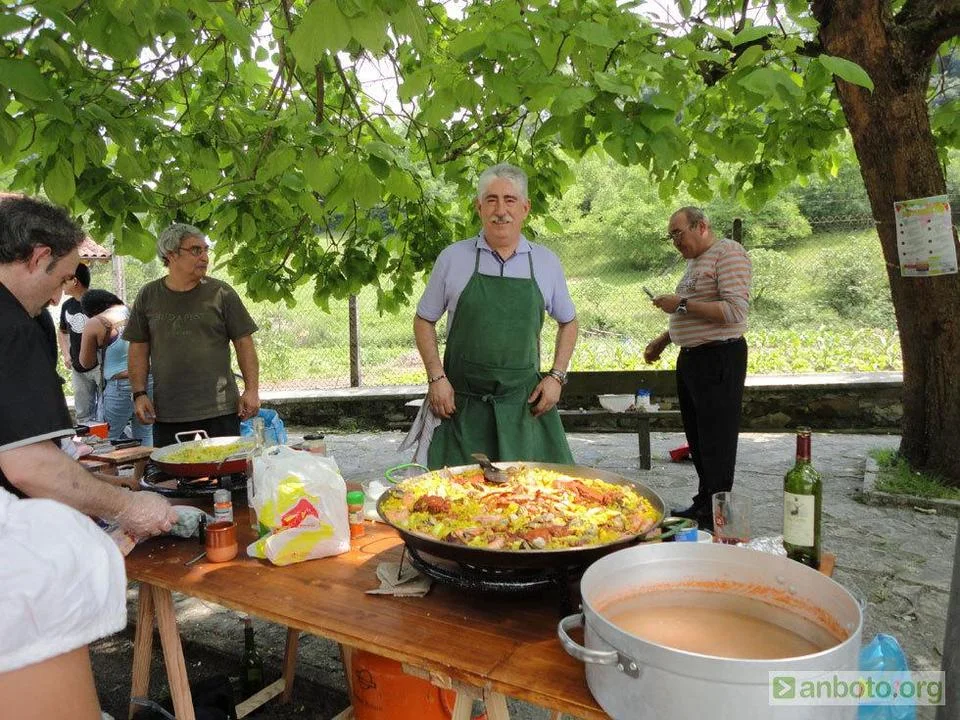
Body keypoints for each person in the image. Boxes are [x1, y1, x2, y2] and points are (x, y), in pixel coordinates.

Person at [0, 194, 176, 719]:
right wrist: (128, 506)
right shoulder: (11, 324)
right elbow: (30, 466)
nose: (60, 294)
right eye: (61, 277)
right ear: (38, 256)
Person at [413, 163, 578, 469]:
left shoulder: (546, 263)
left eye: (510, 200)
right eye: (491, 200)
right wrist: (436, 378)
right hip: (460, 407)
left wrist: (556, 377)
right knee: (455, 494)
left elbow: (569, 322)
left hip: (524, 409)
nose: (501, 210)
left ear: (525, 208)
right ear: (479, 208)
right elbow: (424, 320)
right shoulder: (453, 258)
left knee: (535, 494)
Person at [643, 206, 752, 531]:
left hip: (719, 357)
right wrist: (664, 339)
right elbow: (690, 313)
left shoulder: (729, 253)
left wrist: (680, 303)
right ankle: (705, 503)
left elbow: (734, 311)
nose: (675, 241)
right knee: (699, 438)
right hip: (692, 358)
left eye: (679, 233)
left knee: (717, 440)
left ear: (701, 226)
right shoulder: (694, 263)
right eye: (671, 236)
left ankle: (720, 516)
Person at [125, 223, 260, 448]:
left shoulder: (222, 293)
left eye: (206, 250)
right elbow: (138, 348)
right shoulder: (148, 295)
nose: (205, 257)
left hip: (220, 410)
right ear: (171, 255)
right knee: (170, 469)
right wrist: (139, 394)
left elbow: (244, 343)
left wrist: (252, 390)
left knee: (225, 468)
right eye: (196, 250)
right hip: (168, 412)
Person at [79, 289, 154, 446]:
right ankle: (145, 463)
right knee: (145, 433)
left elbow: (86, 363)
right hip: (148, 379)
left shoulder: (96, 322)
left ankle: (110, 464)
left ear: (91, 310)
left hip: (120, 385)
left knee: (106, 438)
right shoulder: (135, 311)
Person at [58, 261, 101, 423]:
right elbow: (62, 331)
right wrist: (66, 354)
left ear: (75, 281)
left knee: (105, 412)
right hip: (78, 368)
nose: (62, 284)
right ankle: (87, 438)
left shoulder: (99, 302)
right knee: (82, 414)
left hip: (100, 366)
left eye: (65, 280)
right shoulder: (67, 306)